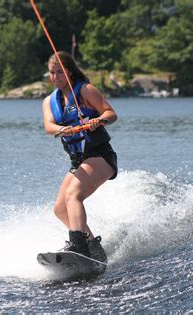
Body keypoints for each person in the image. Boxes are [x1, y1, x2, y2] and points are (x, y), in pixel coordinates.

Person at [42, 51, 118, 263]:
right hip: (79, 161)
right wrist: (62, 129)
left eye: (60, 72)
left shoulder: (85, 90)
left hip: (100, 155)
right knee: (60, 208)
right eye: (52, 73)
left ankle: (79, 245)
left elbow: (110, 113)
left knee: (74, 195)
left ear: (70, 72)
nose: (55, 77)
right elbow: (49, 126)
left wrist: (99, 121)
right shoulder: (49, 101)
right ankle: (94, 248)